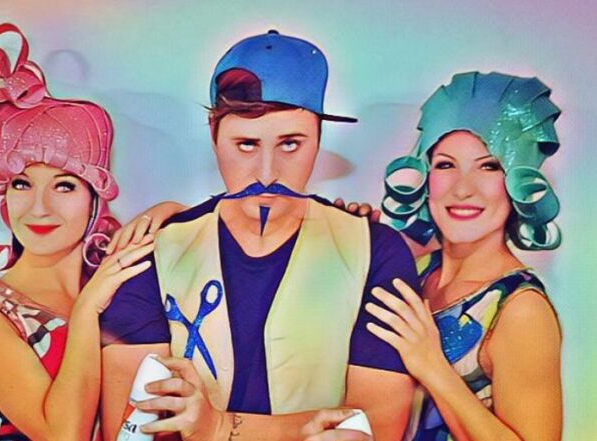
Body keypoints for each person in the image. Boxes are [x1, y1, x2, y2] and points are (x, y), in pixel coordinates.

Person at [100, 30, 419, 441]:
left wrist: (218, 425)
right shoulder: (155, 249)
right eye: (247, 144)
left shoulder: (375, 251)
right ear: (214, 136)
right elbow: (131, 430)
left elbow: (372, 430)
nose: (267, 174)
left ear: (319, 139)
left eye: (290, 144)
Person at [0, 16, 154, 440]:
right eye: (22, 184)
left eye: (64, 185)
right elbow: (64, 435)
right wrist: (87, 310)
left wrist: (164, 212)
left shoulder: (120, 283)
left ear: (95, 197)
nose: (39, 208)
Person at [303, 72, 563, 441]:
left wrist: (431, 365)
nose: (463, 189)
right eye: (445, 164)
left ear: (518, 180)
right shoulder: (418, 270)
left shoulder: (521, 310)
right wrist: (354, 242)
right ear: (425, 175)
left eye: (489, 166)